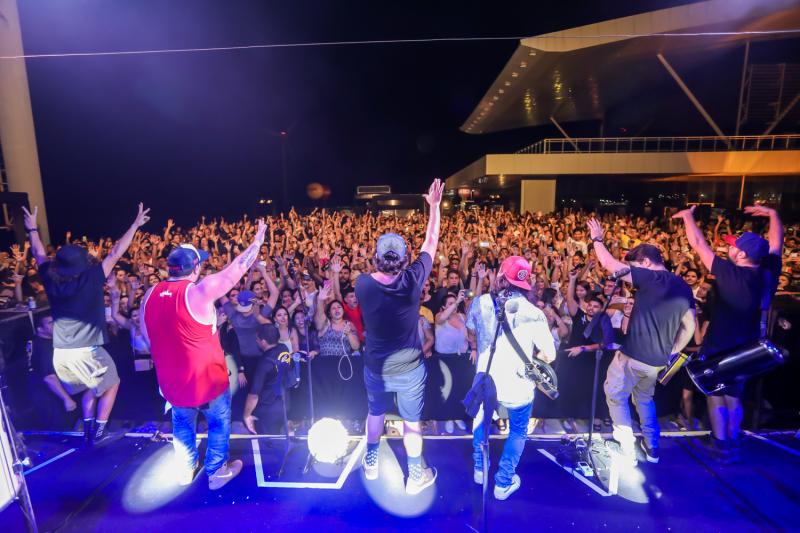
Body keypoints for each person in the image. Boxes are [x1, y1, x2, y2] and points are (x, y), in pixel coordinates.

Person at [142, 219, 267, 490]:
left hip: (173, 383)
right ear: (196, 267)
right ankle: (217, 471)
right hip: (208, 381)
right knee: (219, 424)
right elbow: (234, 271)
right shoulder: (198, 291)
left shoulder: (150, 294)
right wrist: (257, 242)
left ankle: (185, 470)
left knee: (182, 425)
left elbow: (147, 337)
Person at [23, 203, 149, 445]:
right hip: (87, 352)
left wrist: (32, 230)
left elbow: (39, 254)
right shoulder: (91, 278)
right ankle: (99, 433)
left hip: (61, 353)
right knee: (112, 384)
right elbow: (115, 253)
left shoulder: (50, 279)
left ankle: (88, 430)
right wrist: (135, 225)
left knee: (91, 388)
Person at [672, 205, 782, 460]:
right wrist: (774, 216)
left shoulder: (730, 273)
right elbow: (777, 245)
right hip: (749, 346)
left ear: (741, 254)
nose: (729, 247)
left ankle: (721, 444)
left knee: (716, 395)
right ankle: (733, 441)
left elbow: (698, 243)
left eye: (733, 245)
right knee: (734, 396)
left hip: (720, 345)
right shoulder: (767, 271)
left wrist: (688, 217)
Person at [355, 178, 443, 495]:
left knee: (375, 413)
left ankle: (371, 463)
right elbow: (431, 241)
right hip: (409, 369)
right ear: (405, 258)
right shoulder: (414, 280)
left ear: (376, 257)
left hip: (376, 366)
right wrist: (434, 207)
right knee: (411, 423)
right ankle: (415, 476)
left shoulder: (362, 284)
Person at [587, 218, 696, 465]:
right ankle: (652, 446)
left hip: (632, 356)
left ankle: (626, 449)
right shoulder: (683, 286)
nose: (632, 273)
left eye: (634, 266)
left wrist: (597, 239)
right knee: (644, 400)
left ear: (645, 262)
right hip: (657, 361)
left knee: (615, 395)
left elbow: (609, 264)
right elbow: (690, 324)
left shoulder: (651, 278)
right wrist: (673, 350)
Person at [466, 256, 556, 500]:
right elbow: (549, 354)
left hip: (486, 379)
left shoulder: (481, 303)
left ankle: (479, 469)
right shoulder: (534, 313)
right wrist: (532, 359)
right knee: (517, 431)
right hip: (518, 385)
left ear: (500, 277)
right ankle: (503, 483)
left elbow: (470, 331)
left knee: (482, 423)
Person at [28, 315, 79, 430]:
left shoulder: (37, 340)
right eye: (50, 323)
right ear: (40, 329)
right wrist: (66, 398)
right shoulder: (44, 348)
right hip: (49, 395)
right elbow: (49, 378)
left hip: (43, 391)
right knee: (59, 429)